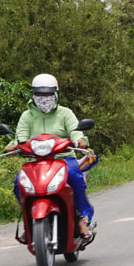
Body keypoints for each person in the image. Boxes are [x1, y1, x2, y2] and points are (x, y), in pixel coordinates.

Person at [9, 73, 94, 238]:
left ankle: (82, 219)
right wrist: (13, 146)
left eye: (47, 94)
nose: (44, 98)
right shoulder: (27, 116)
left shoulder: (65, 113)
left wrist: (79, 141)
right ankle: (29, 222)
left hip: (63, 159)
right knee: (18, 183)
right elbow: (20, 138)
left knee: (74, 178)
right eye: (39, 94)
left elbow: (76, 131)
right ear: (33, 95)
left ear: (55, 94)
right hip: (36, 161)